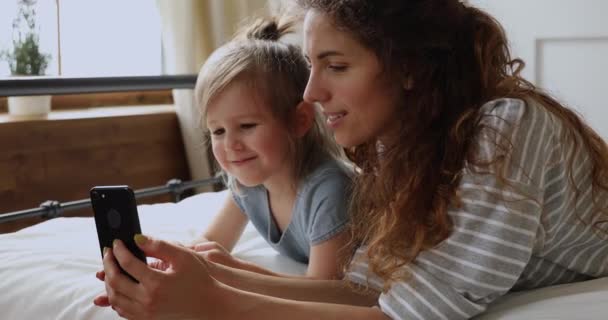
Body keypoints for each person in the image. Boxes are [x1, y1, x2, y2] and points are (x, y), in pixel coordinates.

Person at [94, 1, 608, 319]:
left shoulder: (506, 129)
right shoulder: (397, 145)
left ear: (408, 67)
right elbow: (369, 290)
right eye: (312, 66)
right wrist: (219, 273)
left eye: (335, 66)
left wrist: (214, 306)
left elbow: (409, 314)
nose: (312, 93)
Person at [180, 16, 352, 280]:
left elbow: (323, 291)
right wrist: (165, 261)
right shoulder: (248, 183)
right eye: (218, 131)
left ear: (299, 120)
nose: (230, 145)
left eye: (247, 125)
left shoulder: (329, 190)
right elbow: (211, 244)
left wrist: (235, 271)